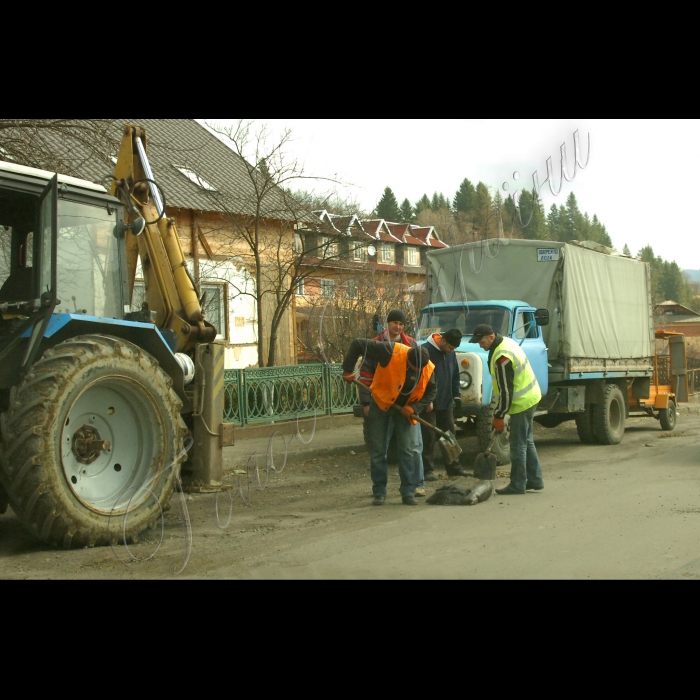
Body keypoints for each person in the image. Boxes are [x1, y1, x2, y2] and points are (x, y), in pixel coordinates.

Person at [343, 340, 436, 506]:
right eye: (413, 368)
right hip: (381, 403)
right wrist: (348, 370)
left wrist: (414, 407)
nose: (416, 372)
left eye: (418, 370)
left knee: (407, 450)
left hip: (405, 409)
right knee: (378, 450)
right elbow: (357, 344)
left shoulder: (428, 367)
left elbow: (431, 392)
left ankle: (408, 491)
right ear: (408, 359)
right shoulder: (390, 351)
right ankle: (379, 491)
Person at [469, 324, 544, 495]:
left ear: (491, 336)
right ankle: (535, 479)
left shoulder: (502, 358)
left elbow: (506, 391)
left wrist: (499, 416)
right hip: (532, 396)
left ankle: (518, 484)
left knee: (518, 445)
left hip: (522, 402)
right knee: (527, 440)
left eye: (481, 341)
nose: (480, 345)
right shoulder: (506, 343)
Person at [421, 328, 470, 480]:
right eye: (450, 348)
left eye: (453, 349)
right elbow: (421, 379)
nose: (451, 351)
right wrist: (426, 400)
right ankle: (426, 470)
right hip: (429, 403)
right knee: (427, 437)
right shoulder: (425, 351)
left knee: (450, 435)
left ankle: (454, 467)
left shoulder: (450, 353)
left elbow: (455, 374)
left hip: (446, 401)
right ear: (442, 341)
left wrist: (456, 396)